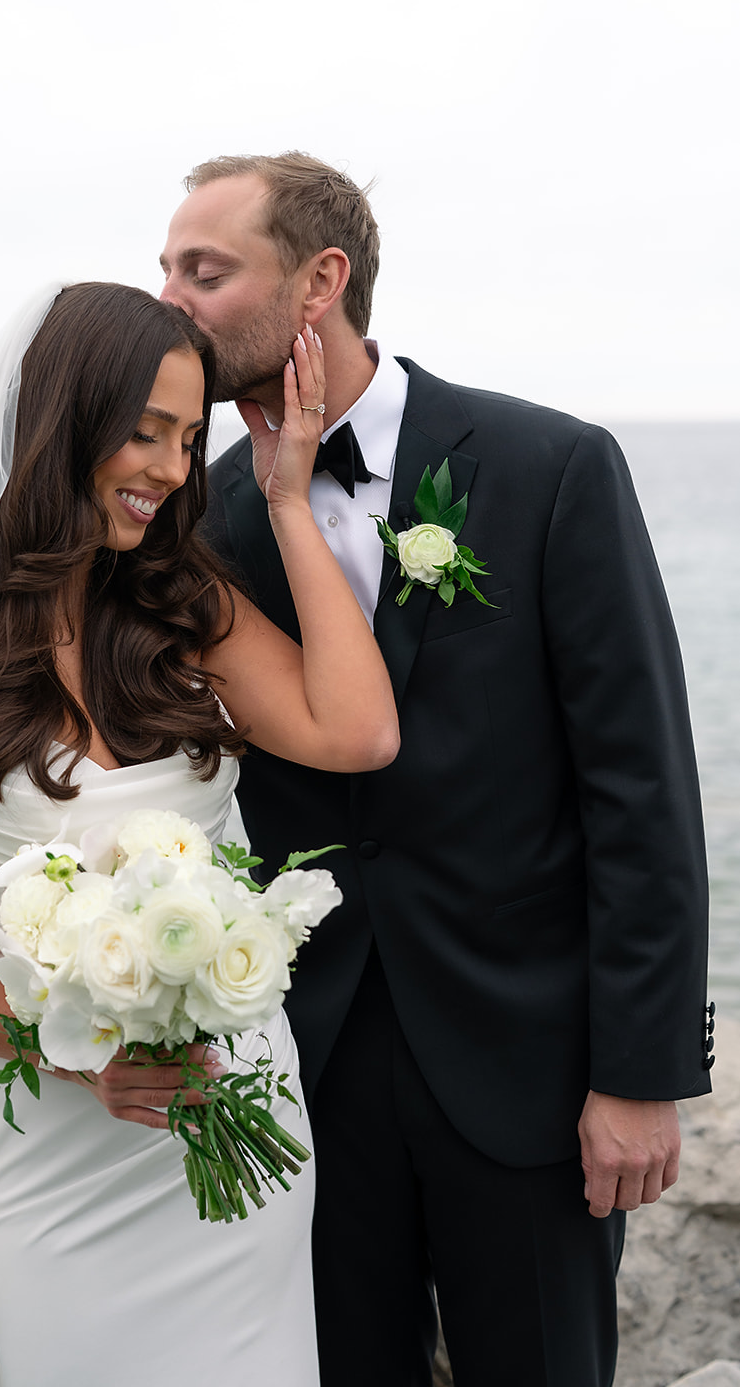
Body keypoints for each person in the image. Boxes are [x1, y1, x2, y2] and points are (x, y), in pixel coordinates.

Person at [0, 281, 398, 1387]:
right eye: (144, 430)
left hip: (239, 1121)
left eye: (189, 441)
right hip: (54, 1147)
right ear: (64, 419)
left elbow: (358, 730)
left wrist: (289, 501)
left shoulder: (184, 603)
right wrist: (75, 1047)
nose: (168, 468)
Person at [159, 152, 713, 1387]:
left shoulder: (550, 467)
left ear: (321, 281)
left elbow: (642, 788)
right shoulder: (197, 517)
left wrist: (640, 1073)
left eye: (206, 270)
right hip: (303, 1064)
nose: (172, 300)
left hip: (527, 1060)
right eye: (165, 270)